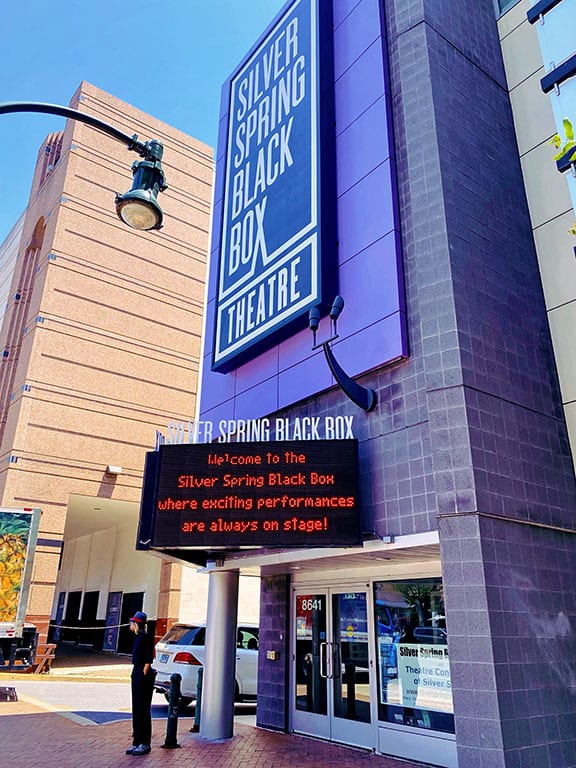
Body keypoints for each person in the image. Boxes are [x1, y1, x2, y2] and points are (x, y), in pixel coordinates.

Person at [126, 611, 155, 756]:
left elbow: (148, 659)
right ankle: (136, 741)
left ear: (137, 624)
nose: (130, 625)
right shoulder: (137, 638)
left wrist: (143, 674)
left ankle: (145, 742)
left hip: (143, 673)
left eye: (132, 623)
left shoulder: (146, 637)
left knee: (143, 709)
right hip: (136, 671)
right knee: (136, 708)